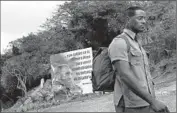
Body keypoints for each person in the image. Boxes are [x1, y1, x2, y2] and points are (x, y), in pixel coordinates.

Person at [108, 6, 169, 112]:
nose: (144, 21)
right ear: (128, 19)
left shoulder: (137, 43)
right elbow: (125, 75)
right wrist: (153, 101)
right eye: (140, 18)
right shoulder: (119, 42)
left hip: (145, 102)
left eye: (145, 18)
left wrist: (151, 101)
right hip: (130, 105)